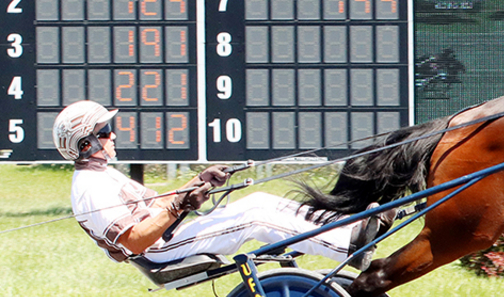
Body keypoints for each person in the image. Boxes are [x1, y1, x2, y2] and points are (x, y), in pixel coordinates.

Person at [53, 100, 389, 270]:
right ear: (85, 145)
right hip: (158, 252)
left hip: (165, 238)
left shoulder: (102, 174)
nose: (112, 135)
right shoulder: (89, 187)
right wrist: (180, 205)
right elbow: (135, 241)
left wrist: (198, 182)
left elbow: (156, 207)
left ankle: (348, 228)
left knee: (259, 201)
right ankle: (345, 246)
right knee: (255, 214)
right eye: (103, 132)